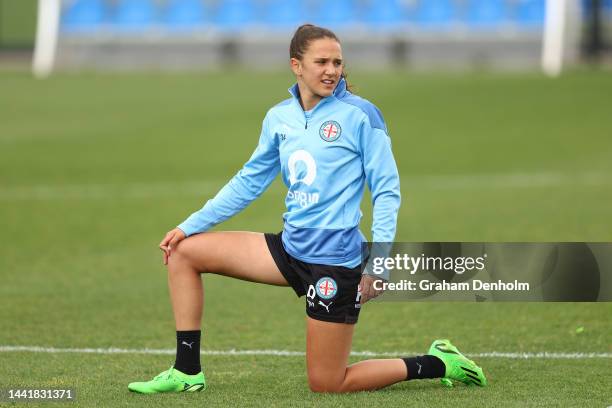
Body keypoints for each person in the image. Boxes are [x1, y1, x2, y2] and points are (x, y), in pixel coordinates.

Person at [128, 24, 487, 394]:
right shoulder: (279, 118)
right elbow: (249, 181)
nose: (331, 70)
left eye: (337, 62)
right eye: (321, 62)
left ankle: (439, 362)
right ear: (296, 65)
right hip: (288, 249)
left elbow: (387, 191)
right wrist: (189, 225)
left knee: (328, 383)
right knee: (184, 253)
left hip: (335, 262)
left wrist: (379, 261)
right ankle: (187, 372)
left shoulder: (361, 116)